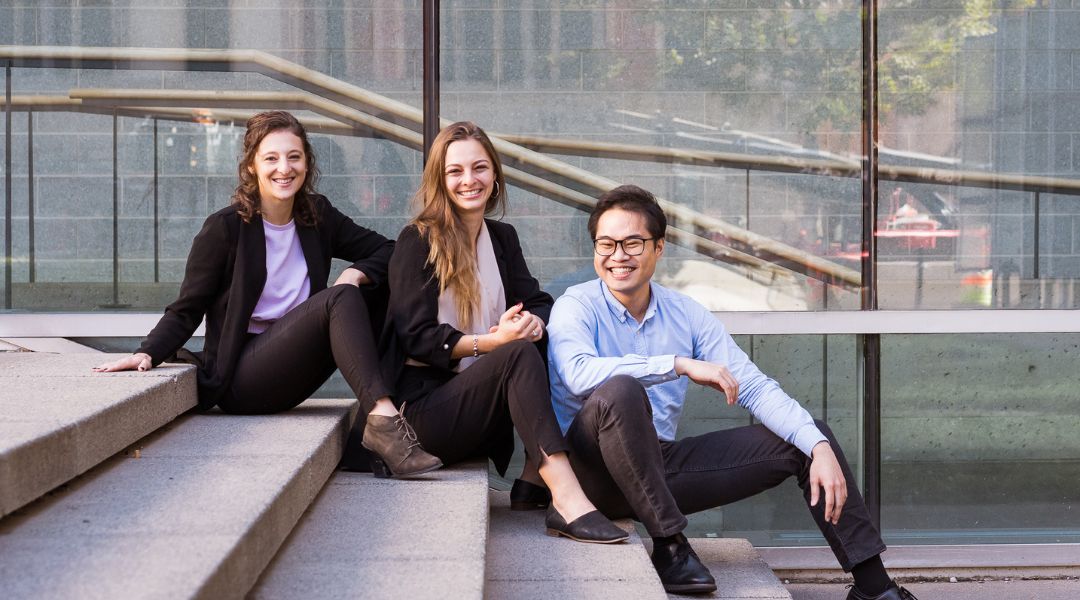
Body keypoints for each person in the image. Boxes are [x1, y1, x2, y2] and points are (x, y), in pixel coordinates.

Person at [547, 185, 917, 599]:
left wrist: (818, 446)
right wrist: (676, 364)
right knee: (620, 391)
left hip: (659, 465)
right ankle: (670, 545)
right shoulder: (575, 305)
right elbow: (578, 374)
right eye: (606, 244)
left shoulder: (685, 313)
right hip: (590, 479)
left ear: (659, 247)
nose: (618, 255)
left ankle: (874, 589)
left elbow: (754, 386)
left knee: (806, 435)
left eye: (632, 242)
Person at [94, 110, 441, 478]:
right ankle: (385, 420)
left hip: (294, 368)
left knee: (373, 290)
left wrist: (356, 272)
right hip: (243, 378)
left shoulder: (317, 215)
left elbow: (389, 250)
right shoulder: (225, 229)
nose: (284, 168)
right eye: (271, 158)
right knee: (341, 298)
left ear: (307, 162)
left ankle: (375, 428)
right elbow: (187, 309)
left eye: (294, 156)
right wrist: (147, 352)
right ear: (252, 167)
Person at [384, 121, 626, 543]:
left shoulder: (501, 237)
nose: (469, 180)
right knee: (515, 353)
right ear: (439, 180)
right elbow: (416, 337)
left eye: (479, 168)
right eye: (455, 171)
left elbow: (538, 301)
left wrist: (533, 322)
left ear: (494, 174)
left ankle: (534, 479)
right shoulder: (417, 240)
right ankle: (565, 497)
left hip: (479, 405)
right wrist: (493, 342)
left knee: (543, 338)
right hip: (422, 415)